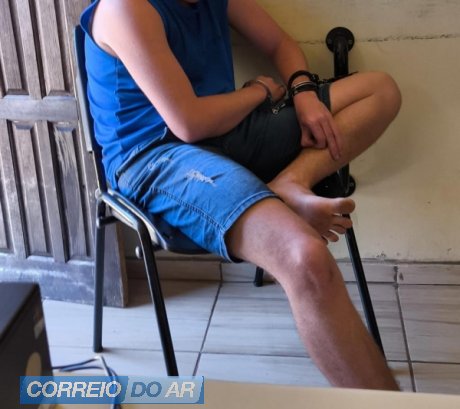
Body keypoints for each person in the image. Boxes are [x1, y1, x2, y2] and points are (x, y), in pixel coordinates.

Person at [80, 0, 401, 390]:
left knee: (378, 90)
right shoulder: (126, 8)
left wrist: (303, 92)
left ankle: (291, 182)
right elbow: (189, 123)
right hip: (156, 158)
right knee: (305, 257)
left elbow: (280, 43)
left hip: (227, 129)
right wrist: (259, 91)